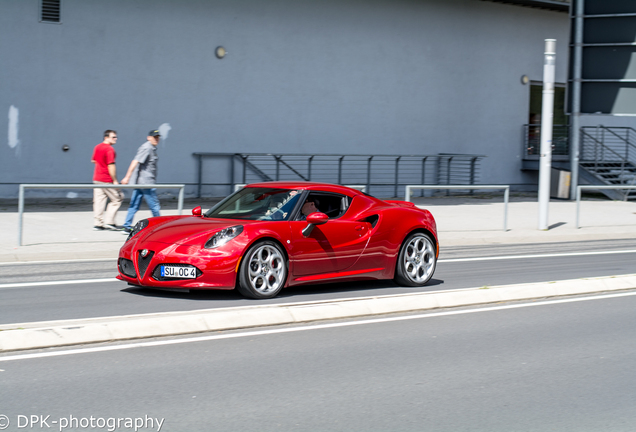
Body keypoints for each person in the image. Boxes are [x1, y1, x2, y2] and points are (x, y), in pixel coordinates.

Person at [121, 129, 161, 233]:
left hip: (141, 183)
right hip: (146, 183)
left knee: (134, 205)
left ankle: (126, 225)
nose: (156, 139)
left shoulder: (152, 148)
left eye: (158, 137)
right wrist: (127, 177)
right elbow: (135, 161)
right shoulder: (147, 148)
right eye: (154, 137)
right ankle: (160, 226)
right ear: (149, 137)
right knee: (154, 206)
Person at [91, 130, 123, 230]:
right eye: (113, 137)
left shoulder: (97, 147)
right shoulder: (109, 149)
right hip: (106, 179)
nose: (115, 139)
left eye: (116, 137)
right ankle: (110, 221)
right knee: (117, 198)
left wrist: (101, 164)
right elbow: (111, 165)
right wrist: (115, 180)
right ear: (106, 137)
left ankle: (98, 224)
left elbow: (93, 160)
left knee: (99, 201)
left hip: (97, 178)